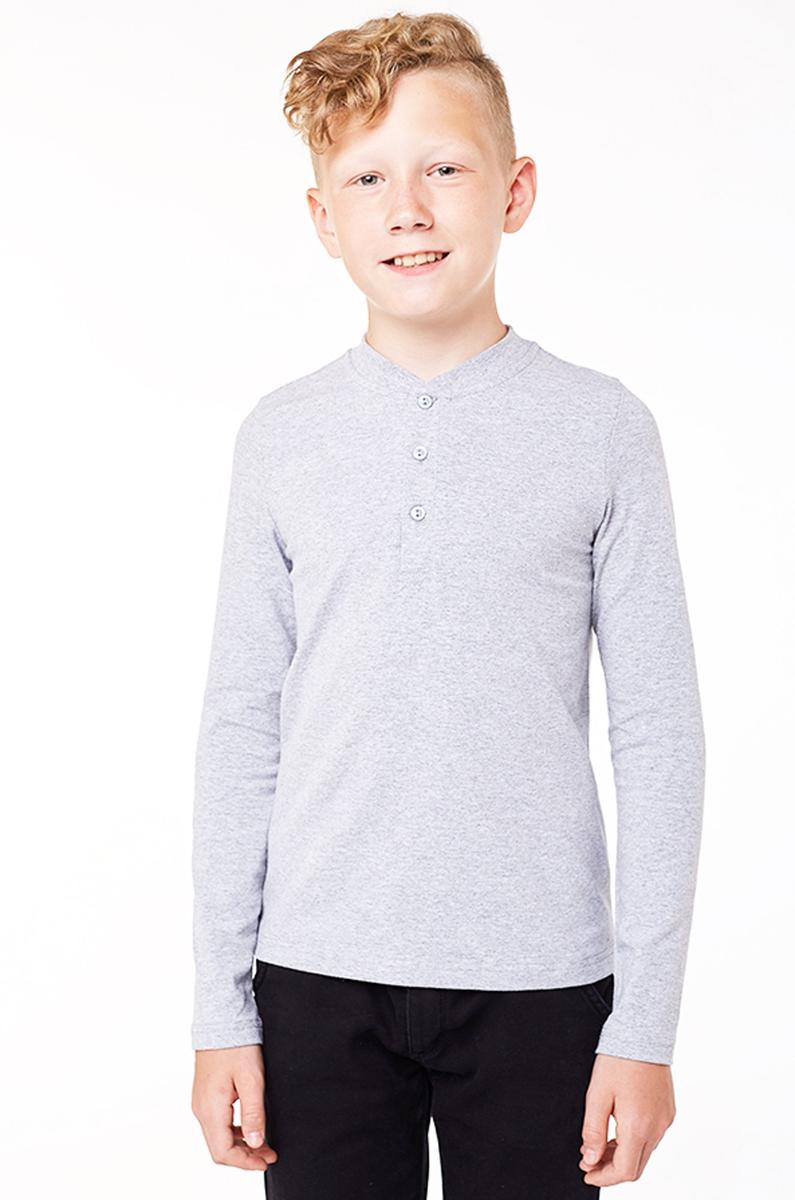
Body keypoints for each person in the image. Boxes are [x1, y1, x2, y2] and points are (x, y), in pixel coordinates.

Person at [189, 11, 706, 1197]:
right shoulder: (281, 439)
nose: (408, 209)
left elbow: (660, 734)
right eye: (368, 178)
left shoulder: (603, 430)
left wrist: (645, 1028)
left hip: (542, 984)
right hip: (314, 980)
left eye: (445, 170)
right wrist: (220, 1007)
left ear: (515, 192)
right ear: (324, 218)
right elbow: (240, 727)